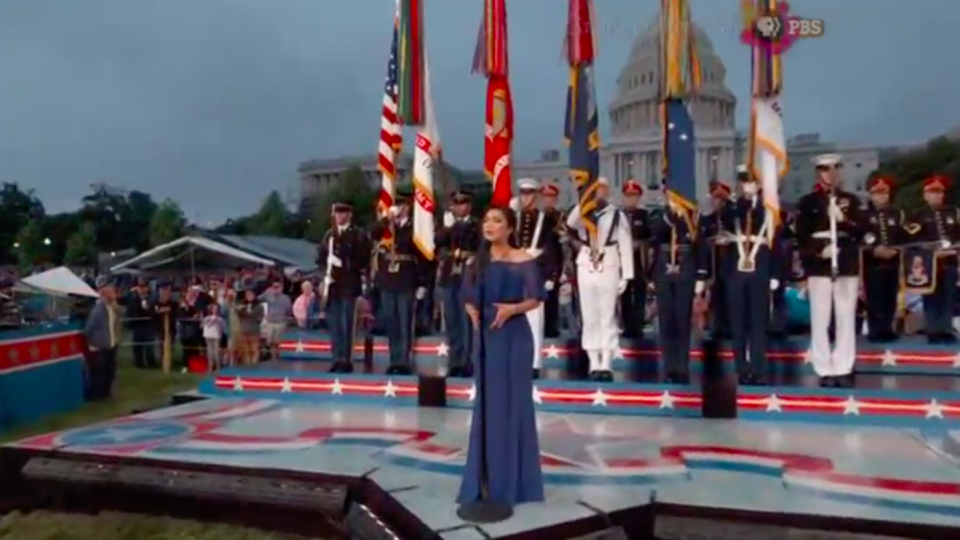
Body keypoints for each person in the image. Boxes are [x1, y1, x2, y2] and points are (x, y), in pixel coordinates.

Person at [457, 205, 545, 507]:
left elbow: (535, 298)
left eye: (497, 221)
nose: (489, 225)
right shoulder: (476, 262)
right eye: (487, 220)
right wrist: (471, 310)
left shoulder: (524, 261)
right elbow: (467, 295)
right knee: (488, 405)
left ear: (509, 228)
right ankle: (484, 480)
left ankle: (515, 483)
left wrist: (512, 310)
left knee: (513, 405)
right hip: (486, 339)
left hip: (514, 338)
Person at [794, 153, 864, 388]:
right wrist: (818, 250)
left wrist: (843, 220)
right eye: (825, 169)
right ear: (818, 173)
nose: (830, 173)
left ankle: (844, 365)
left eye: (835, 168)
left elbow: (861, 231)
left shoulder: (851, 201)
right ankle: (823, 367)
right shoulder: (808, 202)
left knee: (845, 316)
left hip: (845, 261)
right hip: (820, 263)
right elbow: (801, 236)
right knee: (820, 317)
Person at [566, 177, 633, 382]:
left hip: (609, 263)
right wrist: (583, 200)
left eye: (602, 189)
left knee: (607, 315)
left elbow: (625, 244)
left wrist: (627, 274)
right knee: (590, 316)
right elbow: (571, 222)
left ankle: (607, 362)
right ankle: (593, 361)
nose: (599, 193)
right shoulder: (583, 212)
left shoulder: (616, 215)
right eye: (595, 189)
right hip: (587, 264)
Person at [724, 170, 782, 385]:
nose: (747, 186)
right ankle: (742, 369)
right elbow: (730, 220)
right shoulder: (734, 206)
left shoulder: (768, 208)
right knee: (738, 323)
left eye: (751, 182)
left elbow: (777, 242)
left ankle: (758, 369)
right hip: (736, 270)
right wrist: (744, 200)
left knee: (758, 322)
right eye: (744, 182)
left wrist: (776, 272)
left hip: (760, 267)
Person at [371, 188, 432, 375]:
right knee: (391, 322)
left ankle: (404, 361)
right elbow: (372, 234)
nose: (396, 208)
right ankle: (394, 360)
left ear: (407, 206)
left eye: (399, 205)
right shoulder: (388, 227)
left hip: (407, 279)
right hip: (388, 280)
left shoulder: (416, 227)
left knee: (405, 322)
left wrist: (423, 282)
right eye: (394, 205)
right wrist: (387, 220)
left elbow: (424, 256)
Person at [654, 198, 707, 384]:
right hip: (663, 270)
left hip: (686, 269)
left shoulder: (694, 217)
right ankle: (669, 367)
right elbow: (655, 238)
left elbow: (700, 246)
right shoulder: (659, 215)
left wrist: (701, 275)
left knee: (682, 319)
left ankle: (682, 366)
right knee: (666, 320)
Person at [511, 178, 559, 377]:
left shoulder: (546, 219)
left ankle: (534, 362)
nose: (526, 198)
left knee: (535, 318)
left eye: (530, 193)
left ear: (536, 196)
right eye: (523, 193)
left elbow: (552, 250)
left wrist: (550, 275)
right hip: (515, 271)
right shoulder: (513, 219)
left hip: (535, 269)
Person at [319, 201, 371, 373]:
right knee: (334, 324)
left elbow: (363, 259)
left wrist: (344, 263)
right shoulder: (329, 235)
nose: (339, 216)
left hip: (349, 283)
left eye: (342, 213)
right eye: (337, 213)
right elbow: (320, 258)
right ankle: (336, 358)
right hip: (333, 285)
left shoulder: (357, 234)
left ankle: (346, 359)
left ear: (349, 215)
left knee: (347, 322)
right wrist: (324, 275)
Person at [907, 175, 960, 344]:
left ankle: (945, 330)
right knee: (931, 298)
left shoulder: (954, 212)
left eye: (940, 192)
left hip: (950, 261)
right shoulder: (917, 216)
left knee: (948, 296)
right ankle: (933, 330)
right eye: (933, 192)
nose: (937, 195)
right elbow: (912, 241)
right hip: (929, 264)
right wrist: (932, 251)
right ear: (925, 195)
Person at [436, 190, 481, 377]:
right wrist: (447, 228)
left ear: (468, 206)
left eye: (462, 204)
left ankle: (466, 361)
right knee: (452, 319)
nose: (458, 207)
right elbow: (438, 242)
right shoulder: (449, 226)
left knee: (465, 321)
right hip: (450, 275)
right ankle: (454, 361)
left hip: (468, 274)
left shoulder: (476, 225)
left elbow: (482, 249)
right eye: (455, 204)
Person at [861, 176, 905, 343]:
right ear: (871, 195)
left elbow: (902, 237)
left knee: (890, 297)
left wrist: (896, 250)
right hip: (873, 264)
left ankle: (887, 328)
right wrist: (873, 251)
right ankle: (875, 330)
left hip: (892, 262)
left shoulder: (897, 214)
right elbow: (860, 239)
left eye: (884, 193)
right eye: (877, 193)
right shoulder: (864, 215)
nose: (881, 197)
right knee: (874, 298)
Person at [699, 180, 733, 339]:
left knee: (731, 296)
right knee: (715, 297)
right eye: (715, 198)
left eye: (722, 199)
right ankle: (717, 325)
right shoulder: (706, 220)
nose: (718, 202)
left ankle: (731, 326)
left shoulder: (732, 219)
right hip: (713, 264)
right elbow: (701, 241)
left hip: (730, 264)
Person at [619, 180, 651, 339]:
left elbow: (650, 236)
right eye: (628, 196)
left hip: (639, 261)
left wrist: (640, 244)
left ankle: (637, 325)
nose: (631, 199)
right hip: (621, 262)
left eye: (634, 196)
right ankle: (626, 325)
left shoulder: (644, 215)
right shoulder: (619, 216)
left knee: (639, 294)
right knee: (624, 294)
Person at [83, 277, 122, 401]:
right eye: (111, 292)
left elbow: (121, 314)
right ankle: (96, 396)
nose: (114, 293)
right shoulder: (98, 310)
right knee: (100, 372)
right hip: (101, 346)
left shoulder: (112, 308)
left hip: (112, 344)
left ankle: (106, 393)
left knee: (110, 371)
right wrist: (94, 344)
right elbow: (88, 329)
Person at [539, 182, 566, 338]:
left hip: (554, 260)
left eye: (551, 197)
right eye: (546, 197)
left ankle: (551, 327)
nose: (548, 200)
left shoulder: (560, 217)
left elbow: (564, 239)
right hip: (538, 260)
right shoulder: (538, 216)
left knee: (552, 296)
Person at [126, 282, 157, 369]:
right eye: (140, 287)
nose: (142, 289)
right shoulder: (133, 299)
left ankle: (151, 362)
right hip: (137, 324)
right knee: (137, 345)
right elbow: (130, 309)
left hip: (148, 325)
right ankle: (139, 363)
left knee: (149, 345)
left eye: (144, 287)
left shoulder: (152, 298)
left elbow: (153, 311)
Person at [259, 280, 291, 361]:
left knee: (278, 342)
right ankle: (273, 357)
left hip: (280, 322)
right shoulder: (268, 295)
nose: (275, 289)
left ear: (281, 288)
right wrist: (266, 292)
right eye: (274, 287)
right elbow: (258, 299)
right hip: (270, 322)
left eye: (277, 287)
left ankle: (278, 356)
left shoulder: (286, 298)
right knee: (270, 342)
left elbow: (288, 309)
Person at [202, 303, 226, 371]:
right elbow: (202, 325)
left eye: (216, 308)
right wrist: (208, 322)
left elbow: (223, 327)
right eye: (213, 308)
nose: (214, 310)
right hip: (208, 336)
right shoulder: (206, 318)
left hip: (216, 336)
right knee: (209, 352)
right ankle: (210, 367)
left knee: (216, 352)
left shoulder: (220, 319)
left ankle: (218, 367)